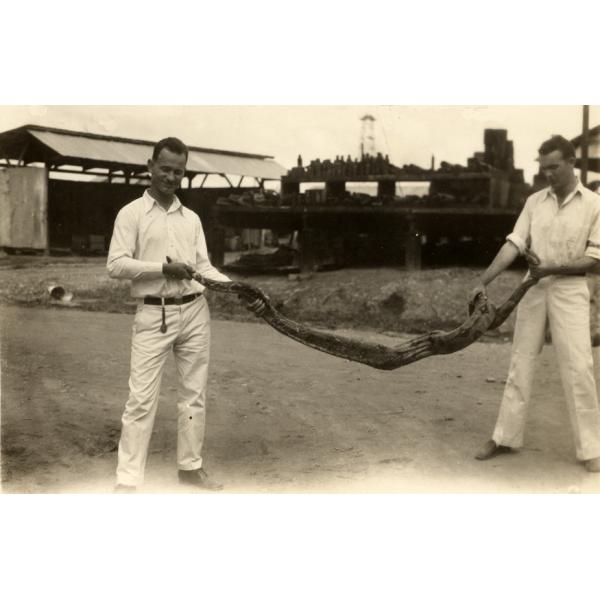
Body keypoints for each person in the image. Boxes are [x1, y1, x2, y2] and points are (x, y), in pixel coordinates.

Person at [107, 137, 264, 492]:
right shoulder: (131, 214)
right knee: (141, 400)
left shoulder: (191, 218)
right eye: (165, 169)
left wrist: (237, 289)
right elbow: (115, 265)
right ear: (150, 166)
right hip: (153, 313)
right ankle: (127, 482)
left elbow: (203, 267)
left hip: (195, 311)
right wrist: (163, 270)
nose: (171, 177)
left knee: (193, 396)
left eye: (178, 171)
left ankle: (190, 468)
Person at [471, 135, 600, 473]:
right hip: (533, 287)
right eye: (543, 169)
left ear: (572, 163)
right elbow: (514, 244)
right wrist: (482, 281)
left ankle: (591, 449)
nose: (548, 175)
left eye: (554, 167)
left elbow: (593, 260)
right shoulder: (534, 202)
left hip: (570, 291)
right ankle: (505, 437)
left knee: (579, 368)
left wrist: (551, 268)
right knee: (521, 362)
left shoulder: (593, 204)